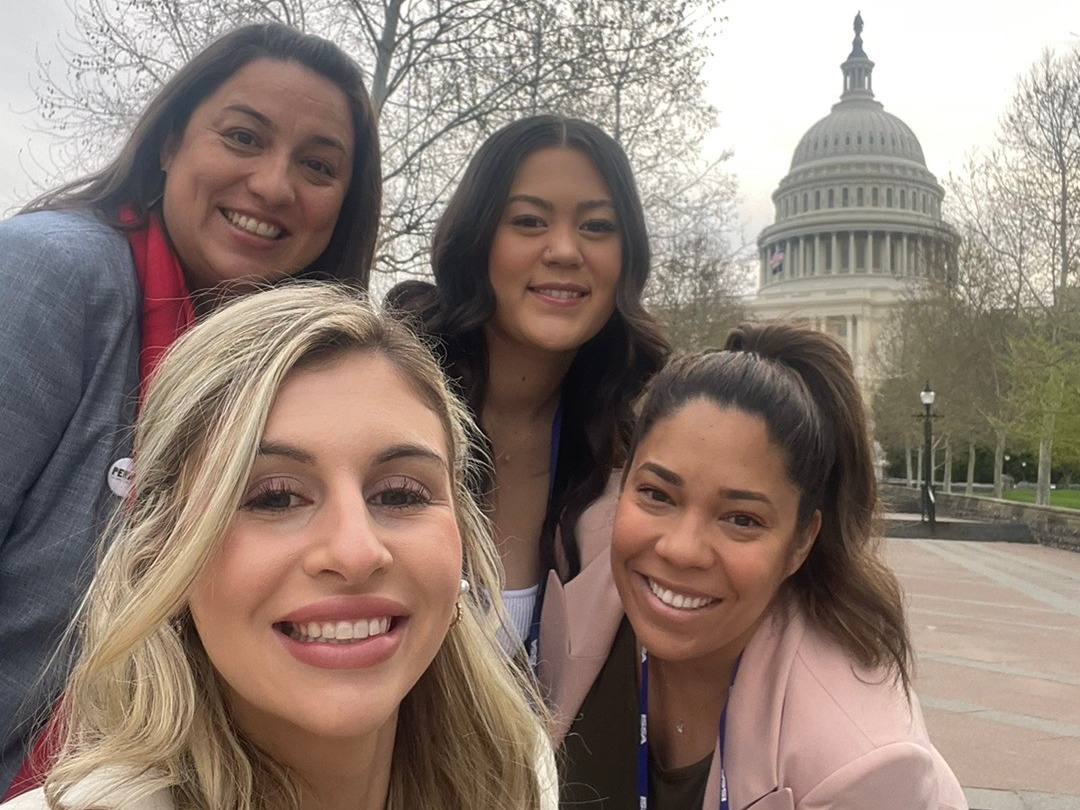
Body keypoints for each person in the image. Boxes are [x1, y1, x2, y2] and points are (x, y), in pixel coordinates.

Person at [0, 22, 381, 793]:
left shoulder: (285, 370)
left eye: (317, 165)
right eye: (243, 137)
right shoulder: (48, 275)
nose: (275, 185)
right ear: (170, 141)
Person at [1, 284, 557, 810]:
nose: (355, 552)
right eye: (274, 499)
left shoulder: (518, 775)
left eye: (400, 493)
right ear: (162, 551)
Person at [544, 322, 969, 809]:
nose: (681, 550)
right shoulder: (580, 551)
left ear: (801, 541)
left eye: (742, 519)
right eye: (657, 494)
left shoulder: (860, 763)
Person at [386, 114, 669, 663]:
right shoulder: (383, 399)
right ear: (478, 240)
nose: (565, 250)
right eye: (529, 221)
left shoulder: (631, 459)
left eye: (597, 227)